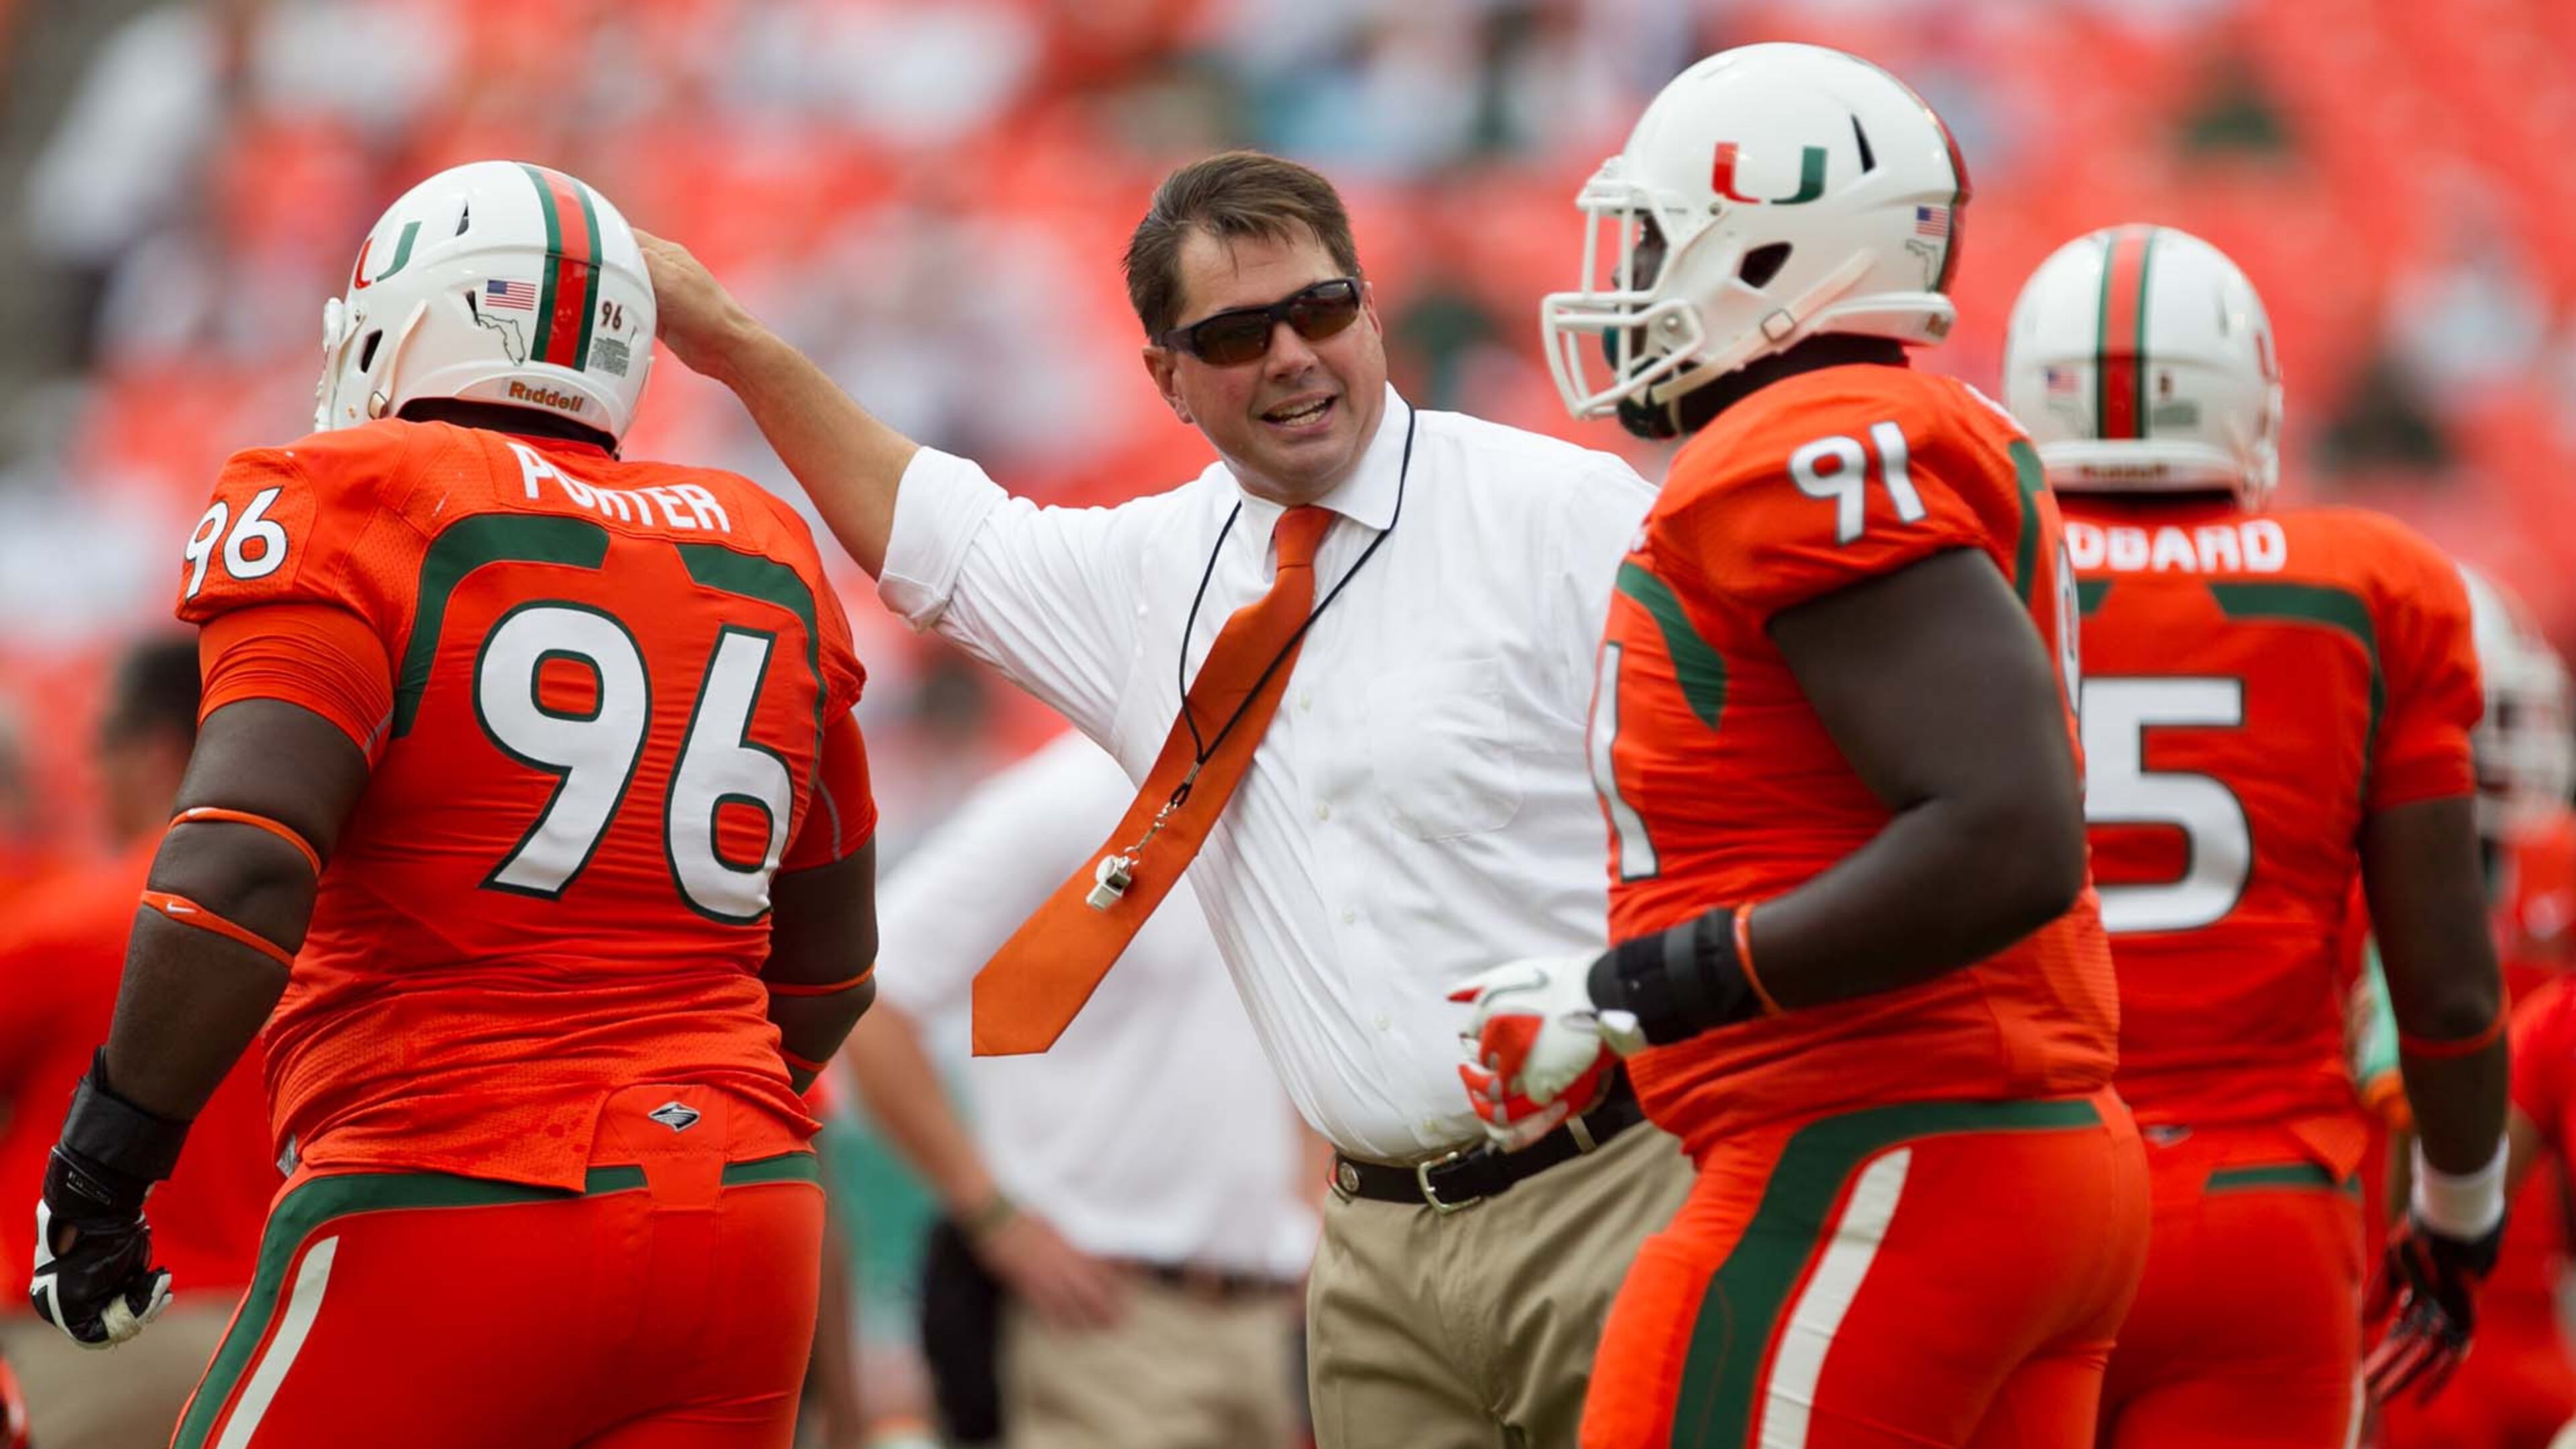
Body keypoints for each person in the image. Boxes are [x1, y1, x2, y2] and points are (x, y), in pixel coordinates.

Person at [643, 148, 1691, 1447]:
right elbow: (929, 535)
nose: (1295, 355)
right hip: (1369, 1253)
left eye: (1319, 309)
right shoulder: (1152, 574)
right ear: (1167, 380)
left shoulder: (1561, 513)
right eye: (1238, 335)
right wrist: (734, 343)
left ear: (1371, 309)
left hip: (1609, 1182)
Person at [22, 160, 881, 1449]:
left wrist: (104, 1166)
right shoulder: (762, 542)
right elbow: (830, 971)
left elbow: (241, 866)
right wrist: (672, 1105)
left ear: (408, 321)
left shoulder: (352, 493)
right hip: (745, 1221)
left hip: (451, 1186)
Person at [1451, 44, 2149, 1448]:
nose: (1632, 279)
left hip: (1871, 1153)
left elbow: (2005, 830)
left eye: (1656, 240)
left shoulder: (1806, 439)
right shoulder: (1911, 425)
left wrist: (1648, 983)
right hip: (1990, 1146)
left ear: (1768, 248)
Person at [1990, 224, 2513, 1443]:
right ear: (2247, 400)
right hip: (2256, 1204)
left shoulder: (1959, 574)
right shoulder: (2372, 583)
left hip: (2008, 1185)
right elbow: (2442, 988)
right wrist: (2460, 1208)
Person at [840, 730, 1317, 1448]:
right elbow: (873, 999)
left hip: (1267, 1324)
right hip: (1110, 1328)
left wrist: (1314, 1223)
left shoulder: (1281, 806)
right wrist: (995, 1216)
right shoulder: (1067, 802)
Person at [0, 639, 276, 1449]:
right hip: (275, 1343)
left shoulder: (67, 926)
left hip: (83, 1351)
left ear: (158, 751)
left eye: (104, 745)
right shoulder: (337, 933)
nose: (92, 775)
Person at [2375, 566, 2576, 1449]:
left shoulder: (2556, 869)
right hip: (2400, 1315)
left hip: (2537, 1317)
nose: (2486, 749)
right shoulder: (2334, 893)